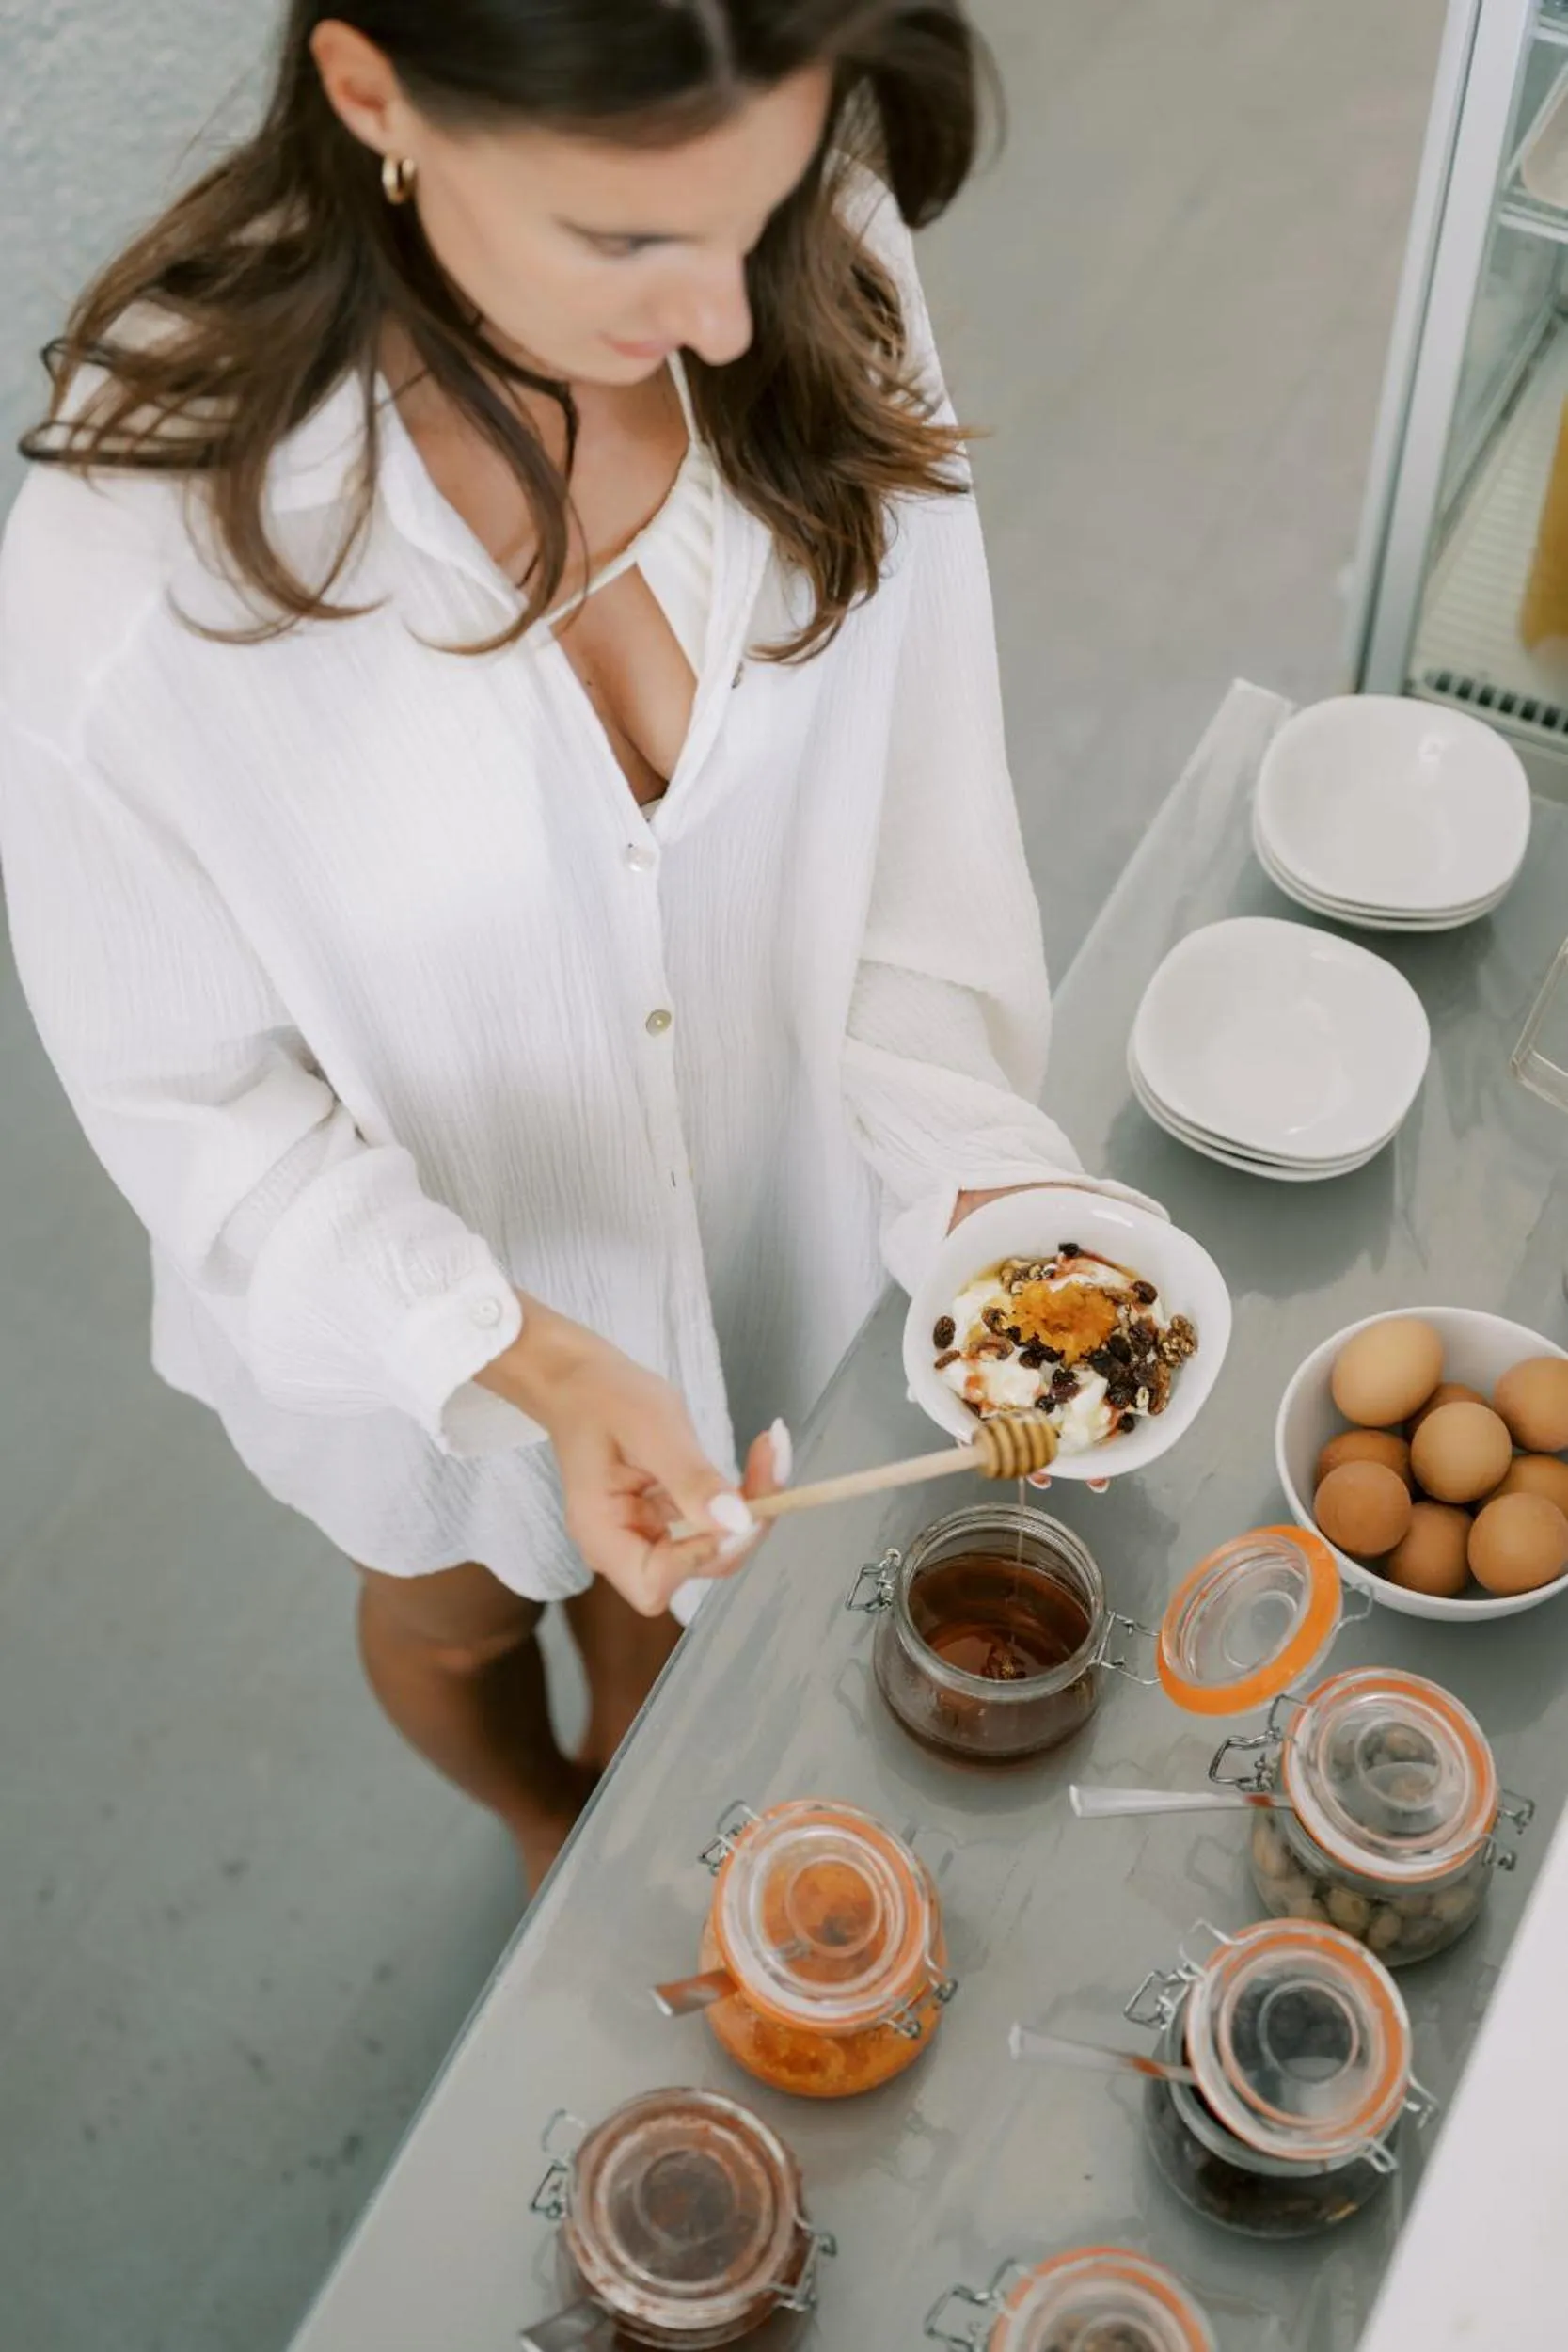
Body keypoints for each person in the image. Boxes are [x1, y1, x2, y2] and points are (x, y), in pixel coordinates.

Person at [0, 0, 1138, 1889]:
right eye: (622, 244)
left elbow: (914, 820)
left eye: (748, 218)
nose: (717, 317)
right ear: (372, 93)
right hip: (429, 1303)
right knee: (453, 1611)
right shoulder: (130, 570)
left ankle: (632, 1791)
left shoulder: (809, 237)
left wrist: (979, 1192)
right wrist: (515, 1355)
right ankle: (545, 1825)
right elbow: (190, 1106)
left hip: (774, 1205)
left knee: (669, 1619)